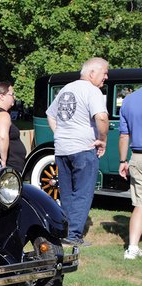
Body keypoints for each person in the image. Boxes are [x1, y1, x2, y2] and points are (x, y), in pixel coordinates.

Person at [46, 57, 109, 247]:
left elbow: (50, 114)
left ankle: (63, 231)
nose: (106, 77)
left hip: (63, 148)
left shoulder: (66, 89)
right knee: (83, 192)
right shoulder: (92, 91)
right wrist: (103, 140)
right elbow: (102, 117)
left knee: (66, 192)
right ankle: (73, 236)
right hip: (83, 148)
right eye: (104, 73)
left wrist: (61, 134)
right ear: (92, 73)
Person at [118, 87, 142, 259]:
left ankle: (132, 247)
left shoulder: (129, 100)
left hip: (137, 157)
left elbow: (124, 136)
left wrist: (122, 161)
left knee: (140, 205)